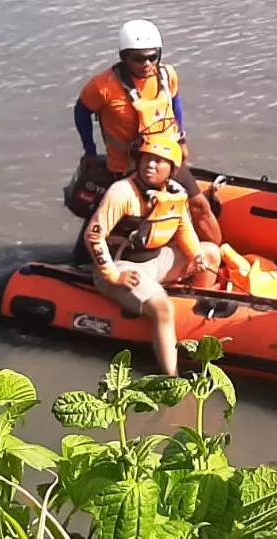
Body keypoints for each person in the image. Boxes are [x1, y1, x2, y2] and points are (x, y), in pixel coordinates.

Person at [73, 18, 221, 247]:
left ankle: (216, 255)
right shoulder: (102, 87)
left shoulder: (167, 75)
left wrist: (181, 138)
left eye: (152, 56)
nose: (146, 64)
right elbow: (81, 112)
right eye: (138, 58)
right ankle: (94, 261)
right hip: (126, 166)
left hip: (166, 159)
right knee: (131, 219)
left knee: (200, 205)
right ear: (124, 57)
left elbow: (175, 103)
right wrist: (89, 150)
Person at [85, 135, 222, 376]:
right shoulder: (122, 193)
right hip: (123, 266)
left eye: (159, 161)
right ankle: (173, 377)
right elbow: (94, 236)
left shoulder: (175, 193)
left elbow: (184, 228)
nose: (150, 165)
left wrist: (195, 255)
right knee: (162, 307)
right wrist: (113, 275)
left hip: (154, 260)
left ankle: (193, 325)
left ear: (172, 169)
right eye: (147, 159)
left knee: (210, 253)